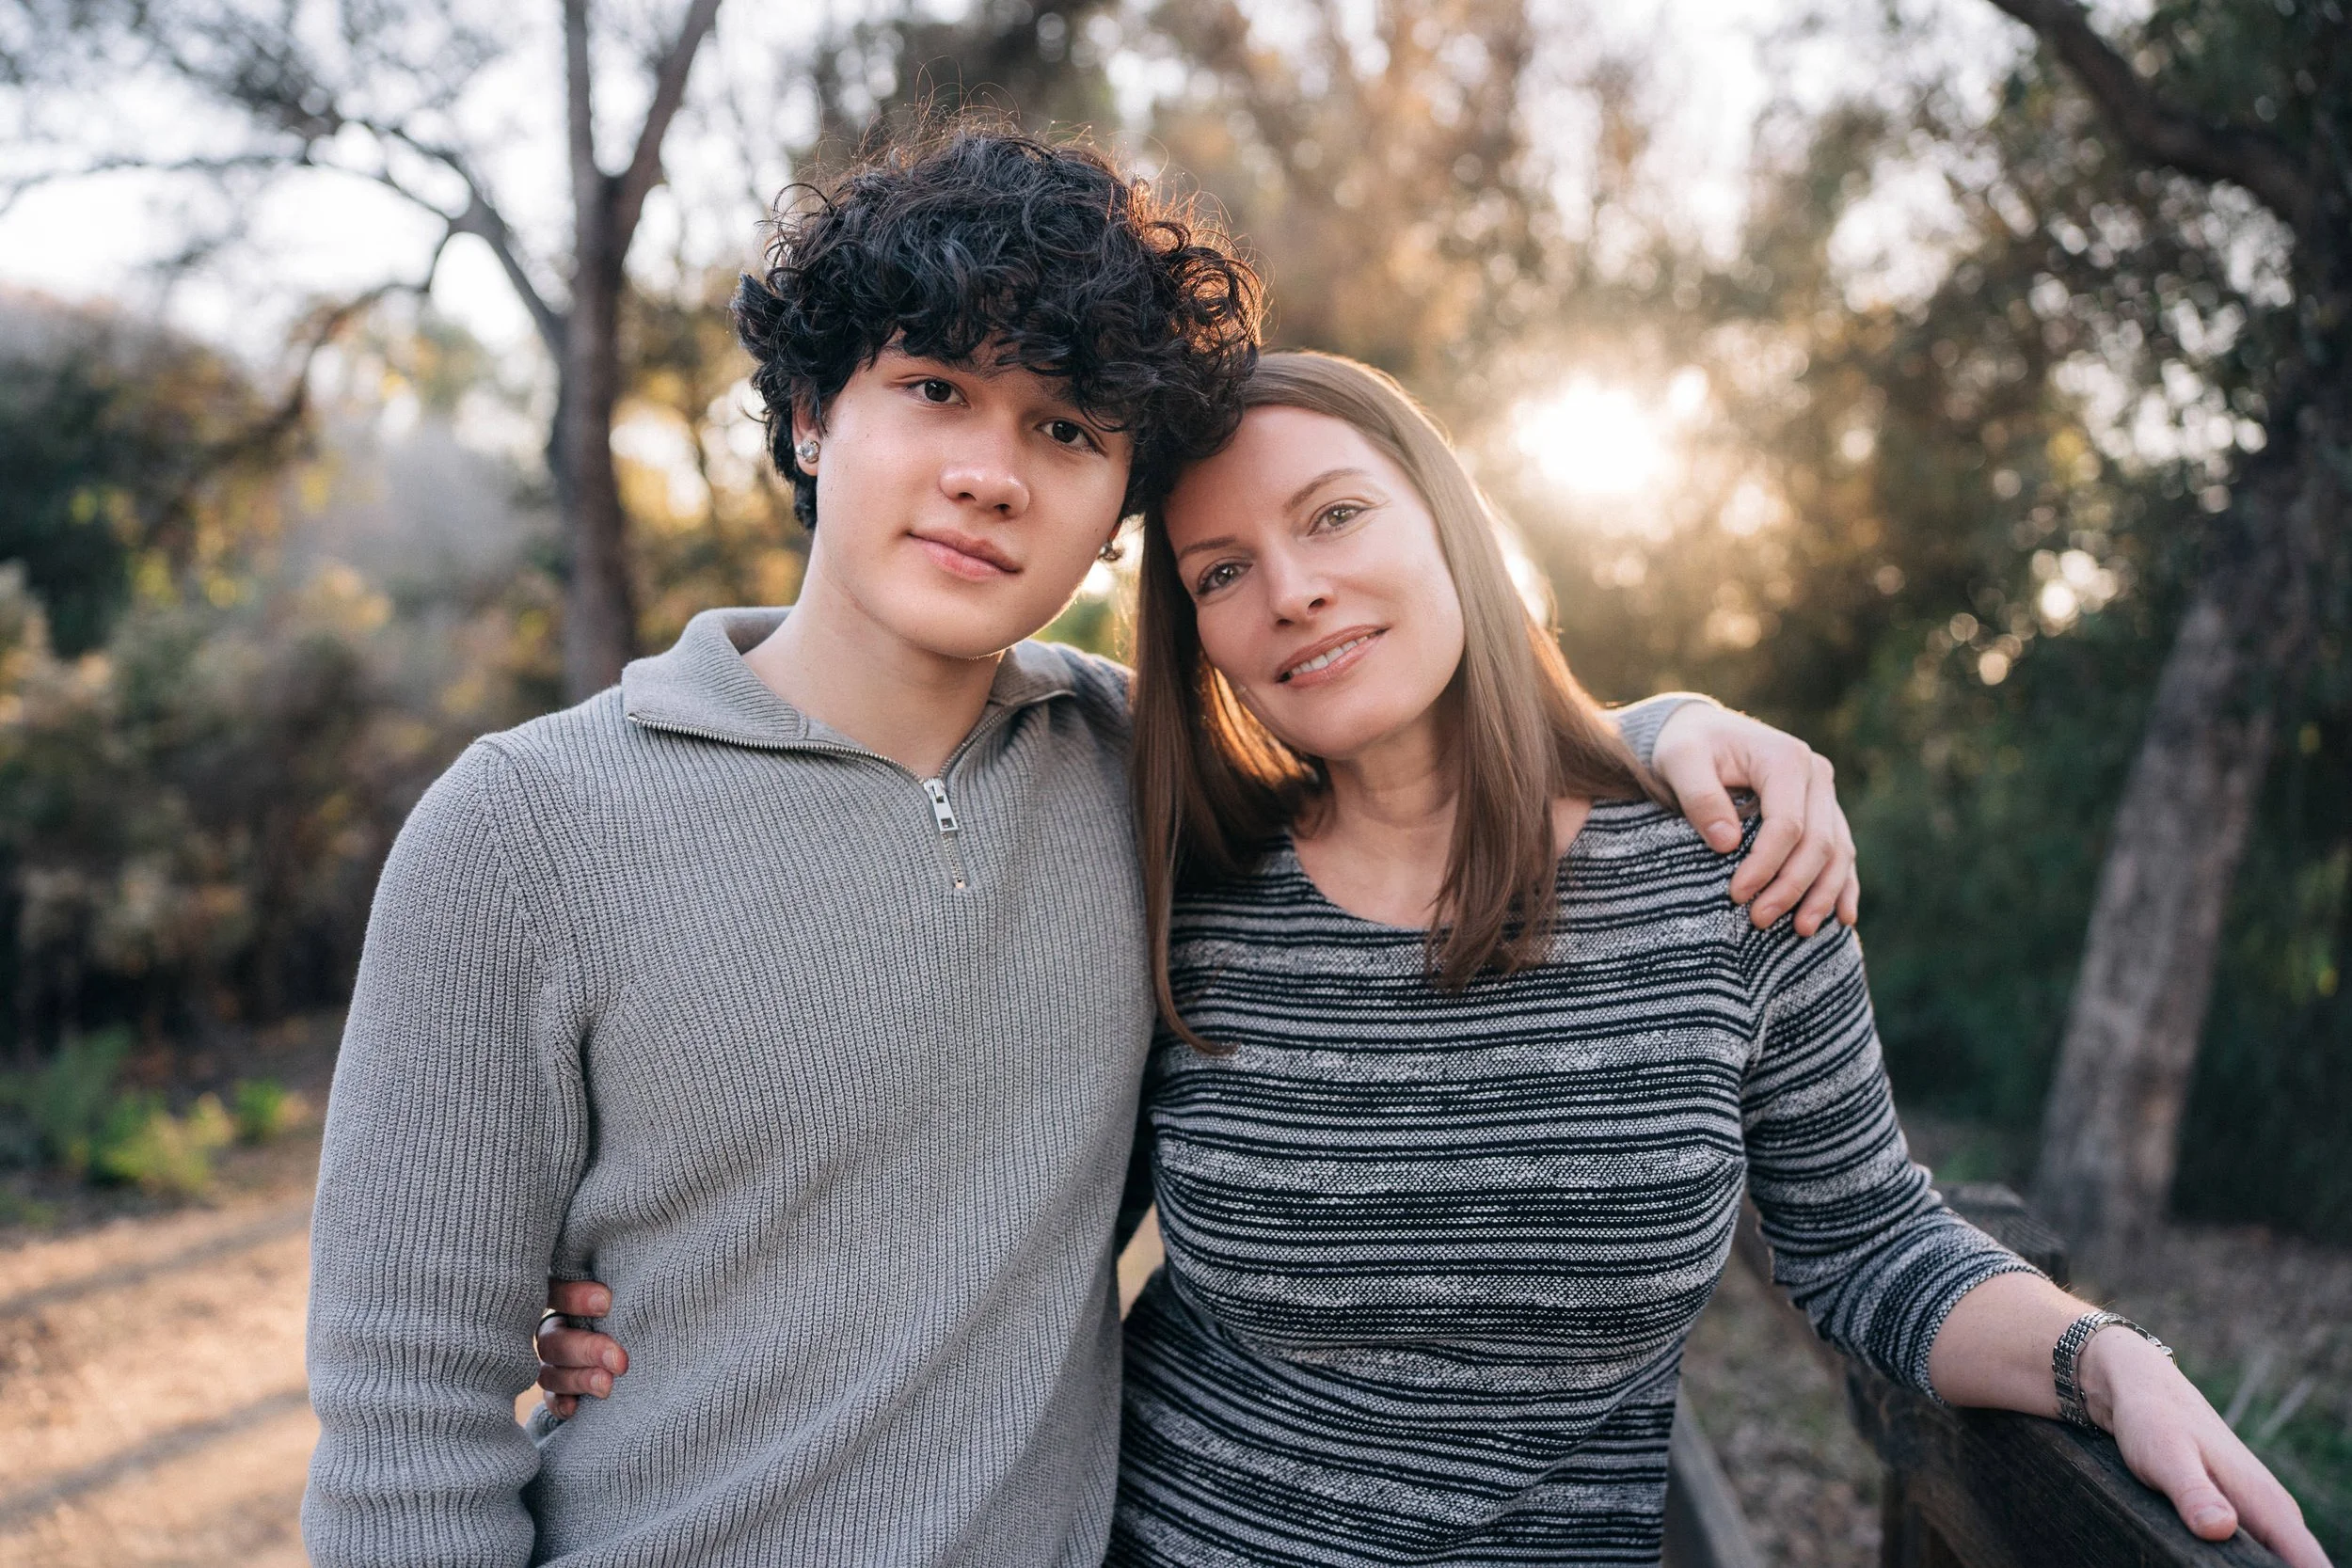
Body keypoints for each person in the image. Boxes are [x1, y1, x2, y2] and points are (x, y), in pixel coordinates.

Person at [305, 126, 1855, 1568]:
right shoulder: (524, 829)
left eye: (1064, 426)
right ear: (806, 413)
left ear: (1119, 502)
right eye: (933, 390)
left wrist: (1665, 733)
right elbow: (404, 1435)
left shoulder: (1146, 776)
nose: (993, 469)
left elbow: (1411, 744)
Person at [543, 353, 2328, 1568]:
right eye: (1225, 568)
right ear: (1198, 632)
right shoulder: (1170, 878)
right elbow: (937, 1155)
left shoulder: (1729, 871)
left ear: (1453, 525)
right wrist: (652, 1298)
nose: (1292, 591)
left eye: (1335, 518)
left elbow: (1868, 1244)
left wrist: (2111, 1366)